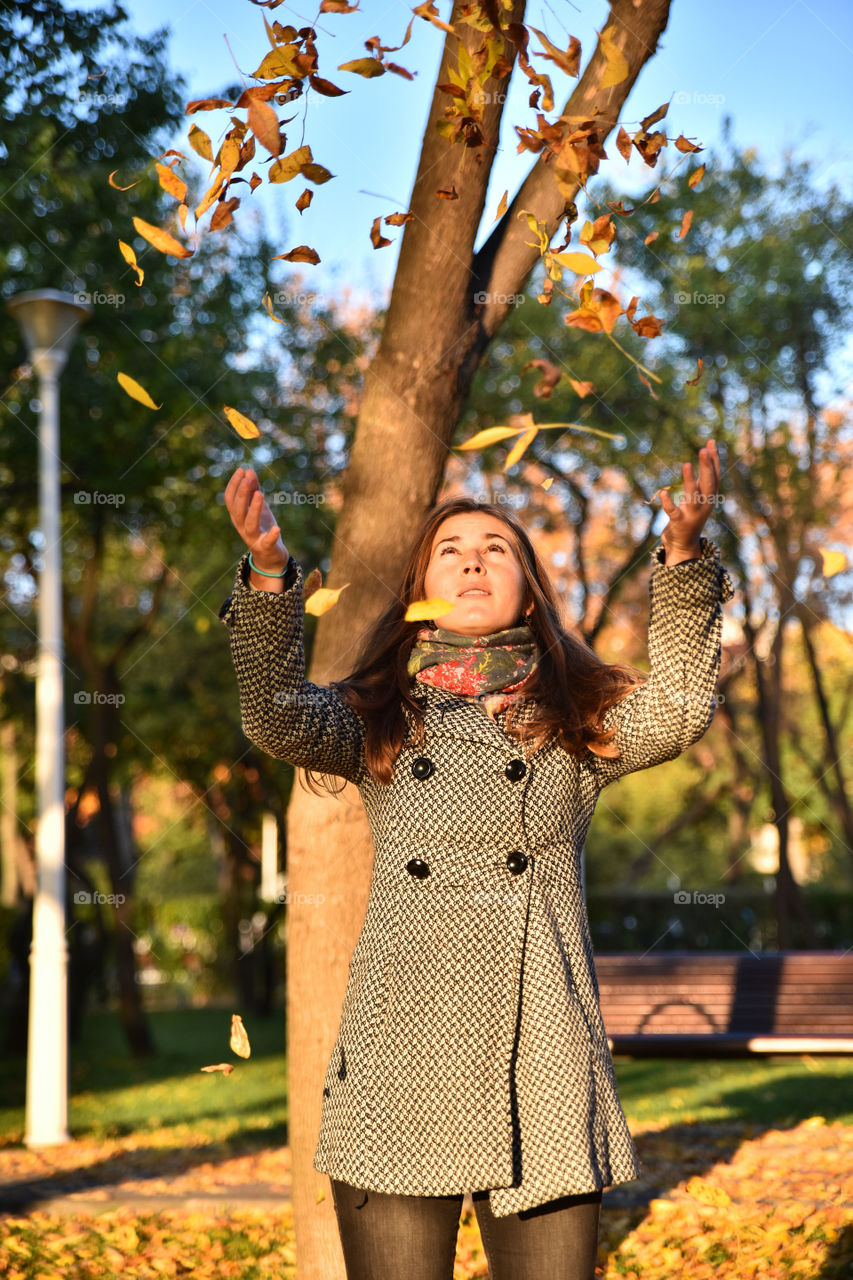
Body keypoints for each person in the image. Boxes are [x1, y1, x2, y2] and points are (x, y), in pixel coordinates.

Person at [219, 440, 734, 1280]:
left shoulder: (576, 713)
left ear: (529, 589)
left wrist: (680, 556)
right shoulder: (375, 713)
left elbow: (677, 707)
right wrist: (273, 575)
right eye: (449, 552)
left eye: (496, 549)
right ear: (421, 592)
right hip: (398, 1056)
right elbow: (277, 716)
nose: (472, 563)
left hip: (542, 1054)